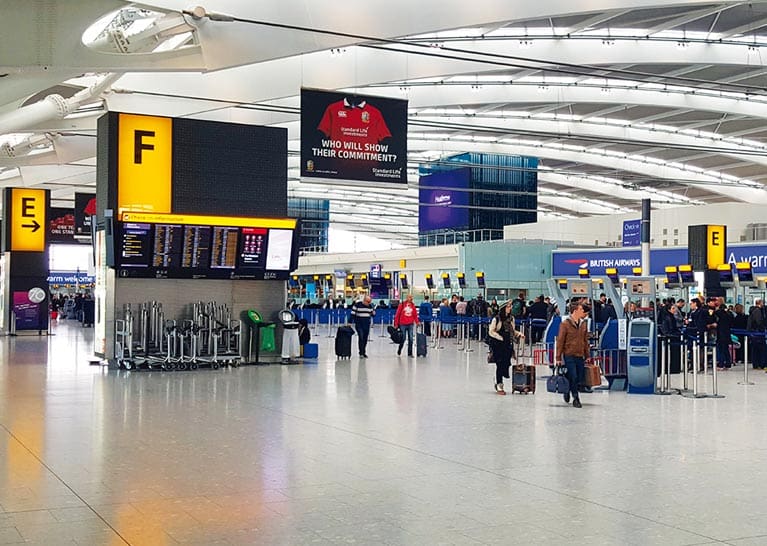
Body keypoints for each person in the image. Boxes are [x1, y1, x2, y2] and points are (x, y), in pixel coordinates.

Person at [555, 301, 591, 408]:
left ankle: (568, 388)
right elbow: (560, 341)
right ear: (575, 311)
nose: (583, 311)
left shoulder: (583, 324)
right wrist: (558, 357)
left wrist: (587, 355)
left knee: (579, 377)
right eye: (581, 309)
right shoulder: (565, 324)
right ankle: (576, 398)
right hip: (569, 354)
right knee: (574, 376)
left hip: (580, 355)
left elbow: (585, 341)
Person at [487, 301, 524, 395]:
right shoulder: (497, 319)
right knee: (499, 364)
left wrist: (519, 334)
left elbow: (512, 330)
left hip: (507, 344)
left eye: (510, 306)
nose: (510, 308)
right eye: (508, 306)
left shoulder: (511, 319)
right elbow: (491, 331)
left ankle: (498, 380)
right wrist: (500, 338)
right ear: (503, 308)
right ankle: (499, 384)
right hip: (498, 345)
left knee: (506, 364)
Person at [747, 299, 766, 369]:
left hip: (753, 333)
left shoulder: (752, 311)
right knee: (760, 349)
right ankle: (761, 364)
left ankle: (756, 364)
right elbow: (759, 322)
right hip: (758, 333)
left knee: (755, 349)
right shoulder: (758, 311)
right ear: (760, 303)